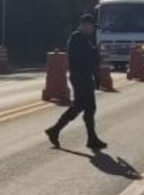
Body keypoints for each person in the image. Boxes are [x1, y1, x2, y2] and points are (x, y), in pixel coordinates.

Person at [45, 13, 108, 151]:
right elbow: (85, 59)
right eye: (92, 26)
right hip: (80, 78)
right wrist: (94, 56)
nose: (93, 30)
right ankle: (89, 138)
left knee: (82, 107)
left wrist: (96, 77)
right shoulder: (77, 38)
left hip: (84, 77)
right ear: (86, 26)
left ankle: (56, 130)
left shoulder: (86, 39)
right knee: (87, 107)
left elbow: (92, 61)